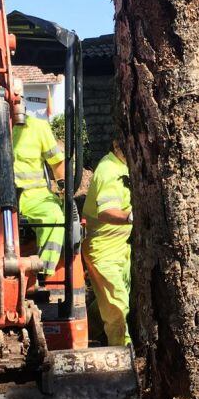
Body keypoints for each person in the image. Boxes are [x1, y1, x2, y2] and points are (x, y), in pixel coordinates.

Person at [82, 142, 133, 346]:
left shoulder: (123, 167)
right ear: (116, 144)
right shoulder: (109, 170)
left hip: (120, 247)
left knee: (115, 297)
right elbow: (106, 211)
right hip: (103, 250)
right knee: (117, 304)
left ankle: (87, 333)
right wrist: (131, 217)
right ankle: (122, 350)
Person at [13, 113, 65, 276]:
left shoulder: (38, 127)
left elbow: (56, 162)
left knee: (55, 216)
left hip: (35, 196)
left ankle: (43, 271)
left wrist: (63, 187)